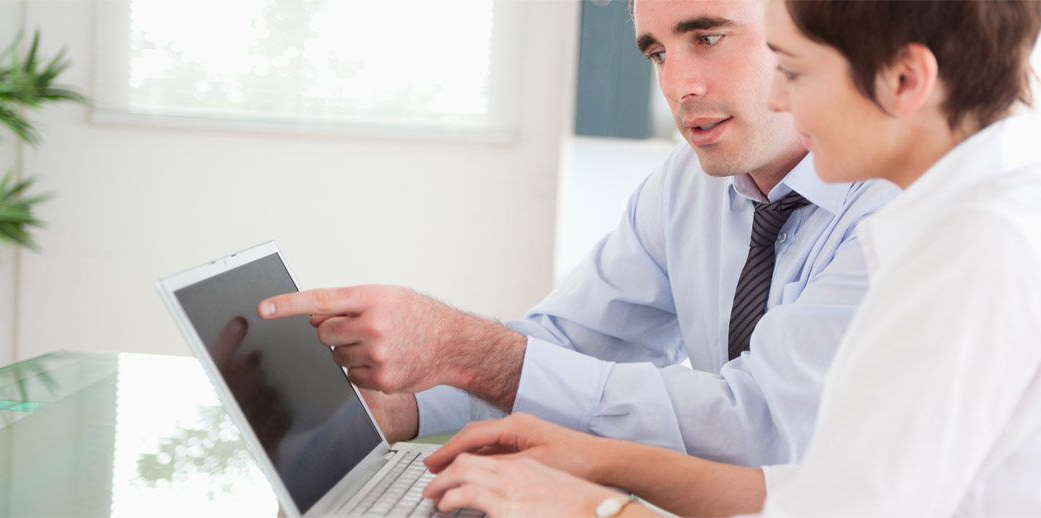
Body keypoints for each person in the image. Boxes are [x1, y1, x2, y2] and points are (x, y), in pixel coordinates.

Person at [417, 0, 1041, 516]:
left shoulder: (977, 253)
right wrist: (602, 463)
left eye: (796, 73)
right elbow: (824, 492)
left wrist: (591, 509)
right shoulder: (991, 214)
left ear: (904, 81)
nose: (789, 107)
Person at [258, 0, 897, 467]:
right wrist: (408, 405)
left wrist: (462, 347)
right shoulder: (685, 184)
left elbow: (762, 428)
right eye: (656, 52)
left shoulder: (893, 205)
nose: (678, 86)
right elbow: (575, 346)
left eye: (707, 37)